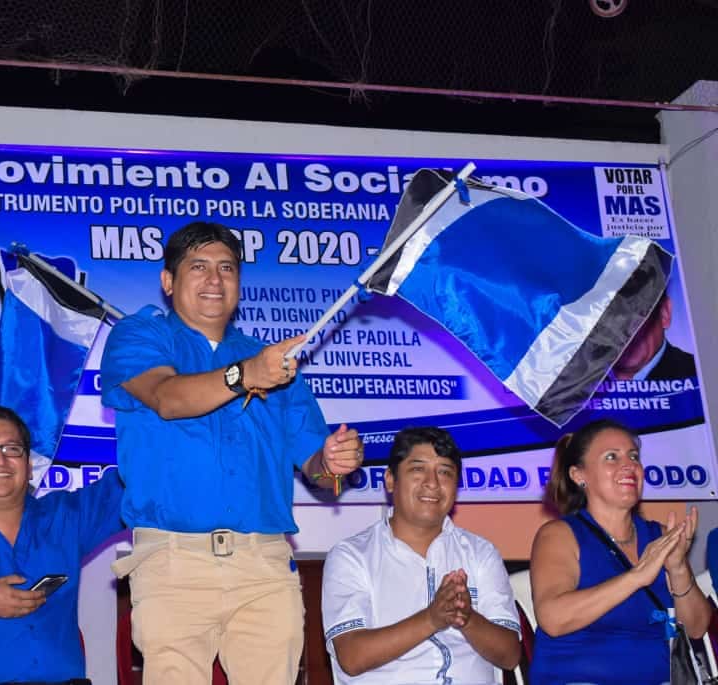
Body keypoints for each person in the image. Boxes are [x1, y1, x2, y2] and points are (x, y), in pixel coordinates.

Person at [100, 221, 364, 685]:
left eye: (226, 268)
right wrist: (244, 376)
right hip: (173, 563)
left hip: (263, 565)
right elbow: (167, 398)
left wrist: (333, 461)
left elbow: (316, 468)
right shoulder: (140, 336)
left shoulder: (274, 363)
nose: (214, 279)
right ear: (168, 281)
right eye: (198, 267)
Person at [0, 406, 124, 685]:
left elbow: (137, 481)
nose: (0, 460)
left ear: (29, 466)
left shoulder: (65, 516)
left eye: (13, 449)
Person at [321, 426, 520, 684]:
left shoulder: (480, 553)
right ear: (390, 479)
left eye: (445, 472)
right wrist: (431, 619)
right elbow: (351, 656)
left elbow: (510, 656)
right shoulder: (352, 556)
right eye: (418, 469)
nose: (432, 483)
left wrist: (468, 618)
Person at [529, 418, 712, 685]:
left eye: (634, 456)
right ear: (579, 475)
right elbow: (553, 619)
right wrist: (636, 577)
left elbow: (696, 628)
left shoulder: (661, 537)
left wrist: (678, 568)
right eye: (611, 457)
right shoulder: (559, 535)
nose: (629, 465)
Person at [613, 291, 697, 381]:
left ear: (664, 313)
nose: (624, 331)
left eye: (635, 310)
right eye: (609, 316)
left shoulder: (699, 374)